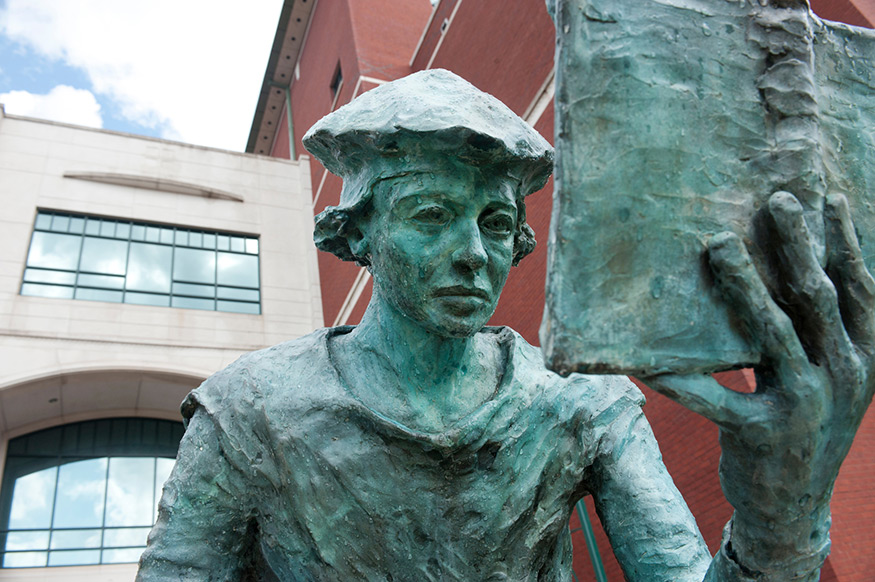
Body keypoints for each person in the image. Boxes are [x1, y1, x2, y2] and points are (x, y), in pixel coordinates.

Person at [137, 70, 874, 581]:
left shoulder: (579, 407)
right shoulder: (248, 411)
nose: (470, 254)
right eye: (429, 215)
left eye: (495, 223)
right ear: (359, 234)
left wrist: (782, 511)